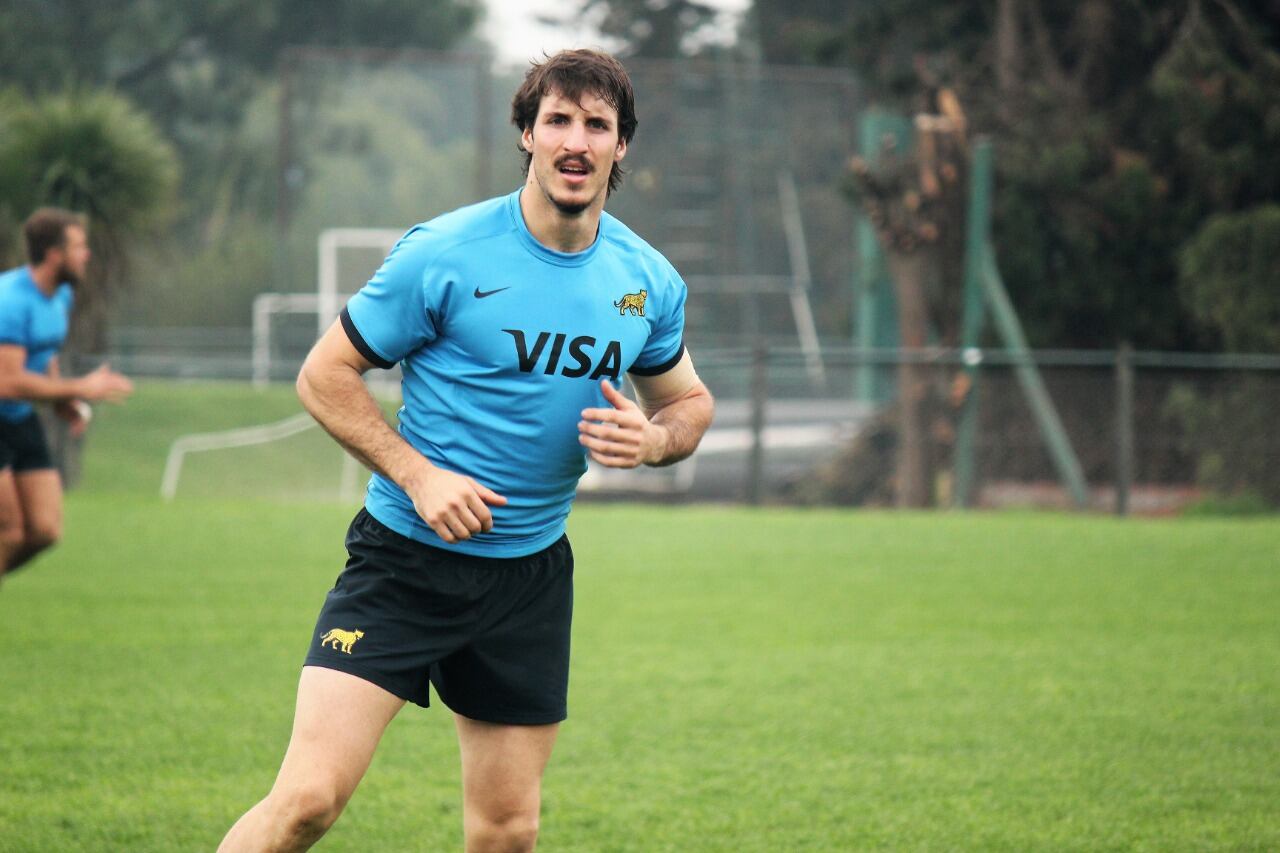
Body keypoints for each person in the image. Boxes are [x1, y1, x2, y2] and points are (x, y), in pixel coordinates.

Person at [219, 49, 714, 852]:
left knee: (507, 831)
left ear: (623, 146)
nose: (576, 140)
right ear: (527, 132)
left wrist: (655, 440)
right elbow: (323, 376)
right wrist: (417, 475)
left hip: (529, 578)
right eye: (558, 119)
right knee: (307, 799)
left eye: (598, 124)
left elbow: (688, 401)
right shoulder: (444, 253)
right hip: (402, 564)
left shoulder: (646, 280)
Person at [0, 208, 133, 577]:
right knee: (9, 532)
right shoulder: (10, 301)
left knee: (45, 530)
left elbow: (43, 357)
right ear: (54, 254)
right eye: (79, 246)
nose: (87, 254)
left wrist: (62, 400)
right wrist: (81, 387)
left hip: (18, 417)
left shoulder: (61, 298)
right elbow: (6, 381)